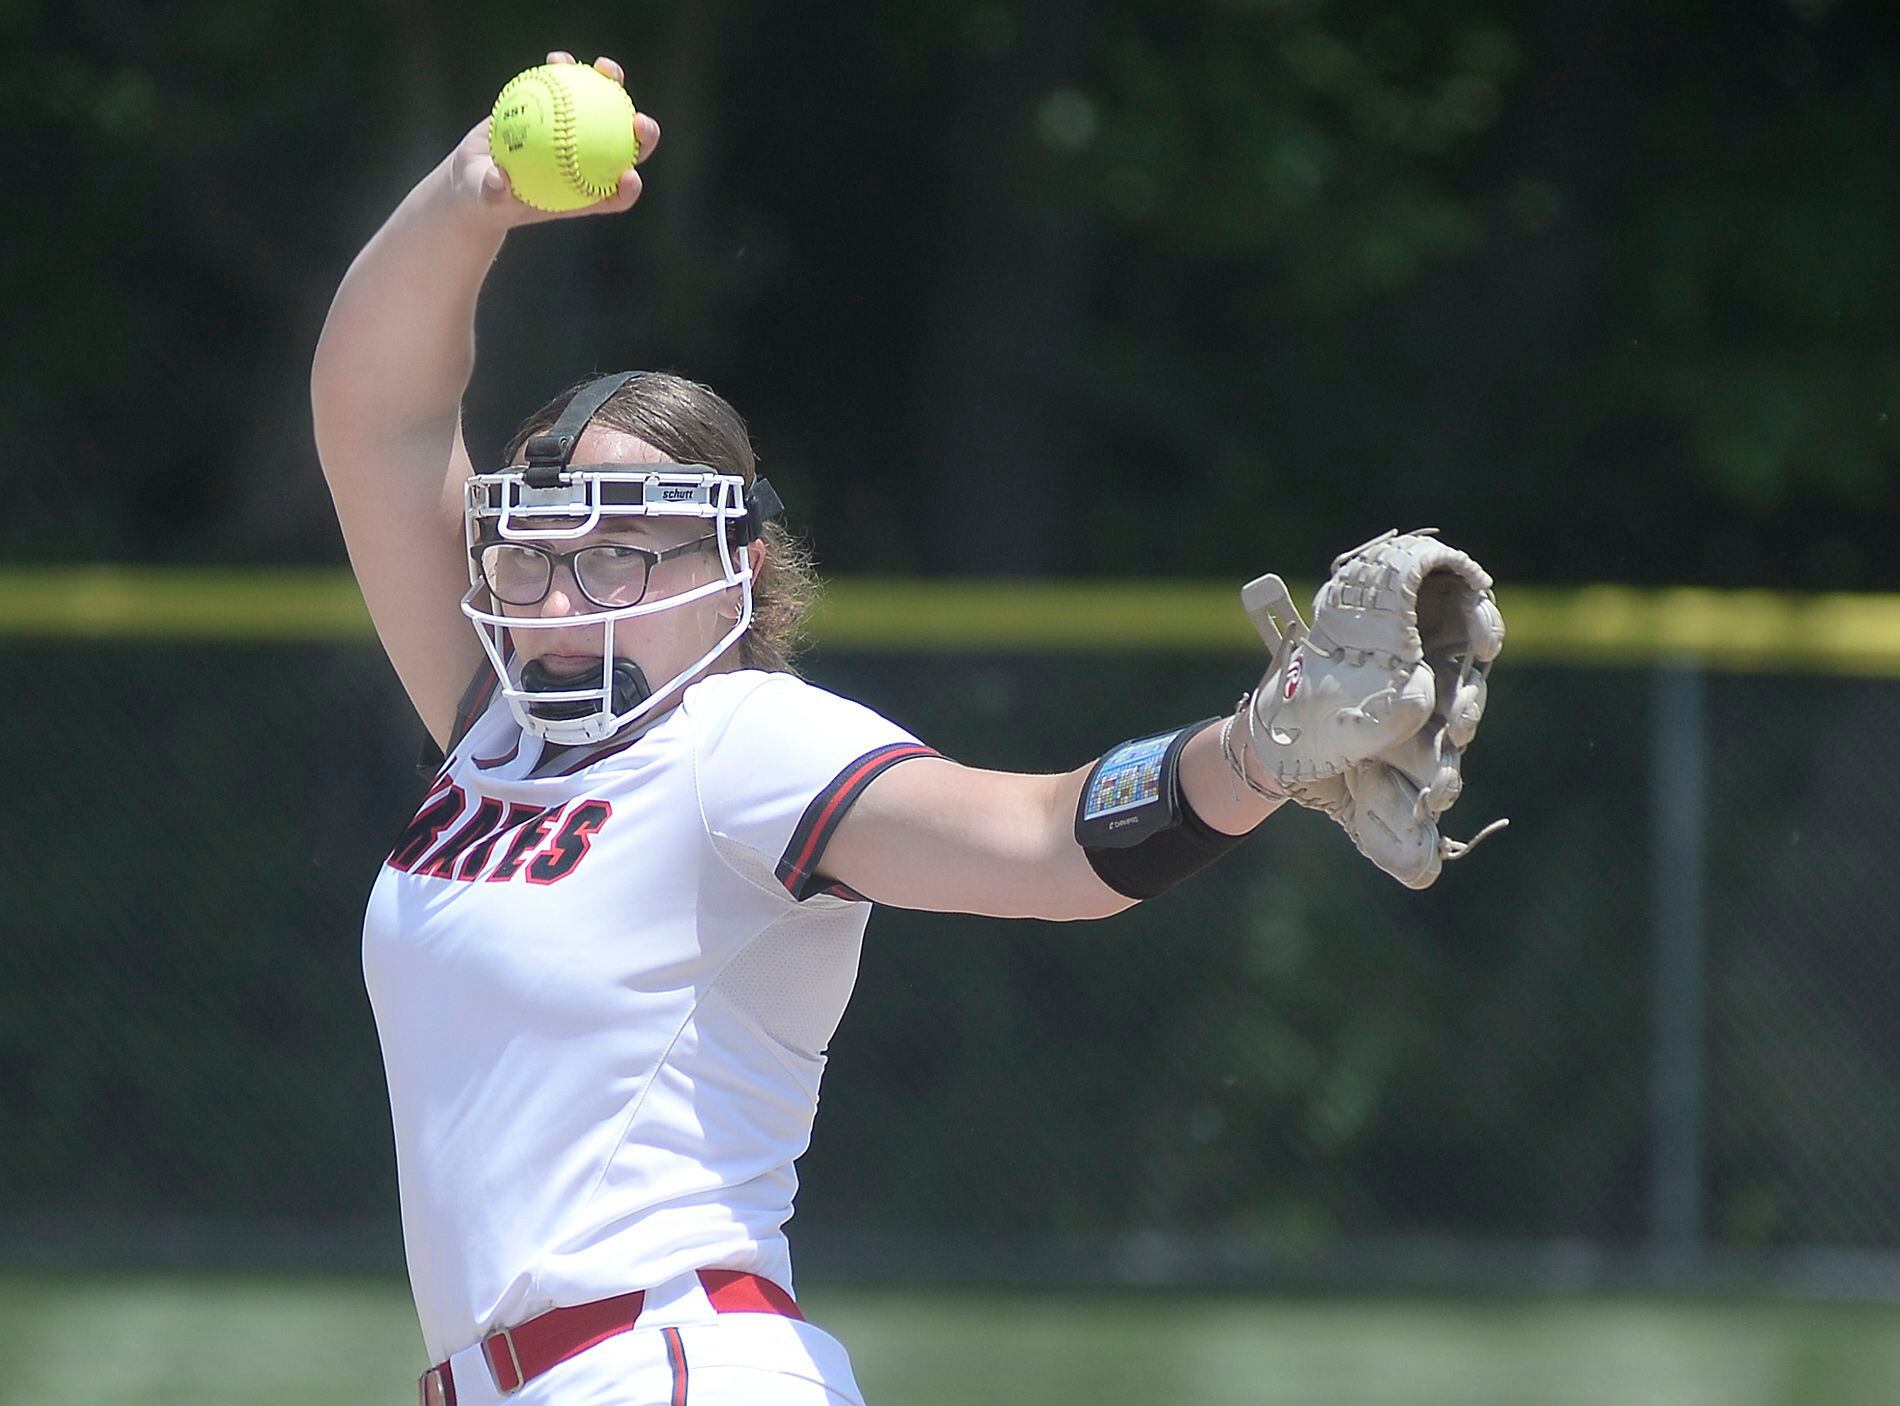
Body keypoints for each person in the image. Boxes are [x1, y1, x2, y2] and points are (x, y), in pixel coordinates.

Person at [312, 49, 1496, 1406]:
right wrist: (472, 197)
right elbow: (375, 414)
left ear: (734, 572)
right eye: (535, 550)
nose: (567, 588)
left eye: (623, 549)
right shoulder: (492, 730)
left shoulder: (739, 741)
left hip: (671, 1367)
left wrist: (1258, 752)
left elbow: (1044, 840)